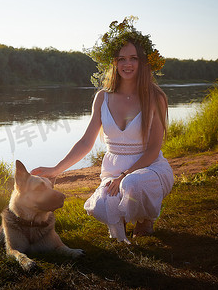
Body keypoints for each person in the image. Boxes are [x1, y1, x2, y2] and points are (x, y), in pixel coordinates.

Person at [31, 17, 174, 244]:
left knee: (132, 184)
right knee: (101, 205)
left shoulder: (155, 97)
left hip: (149, 169)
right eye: (121, 59)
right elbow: (86, 142)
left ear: (143, 62)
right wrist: (57, 169)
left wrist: (125, 176)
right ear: (114, 63)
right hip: (114, 170)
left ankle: (145, 217)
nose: (127, 64)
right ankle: (122, 213)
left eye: (133, 58)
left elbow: (154, 149)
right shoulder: (102, 97)